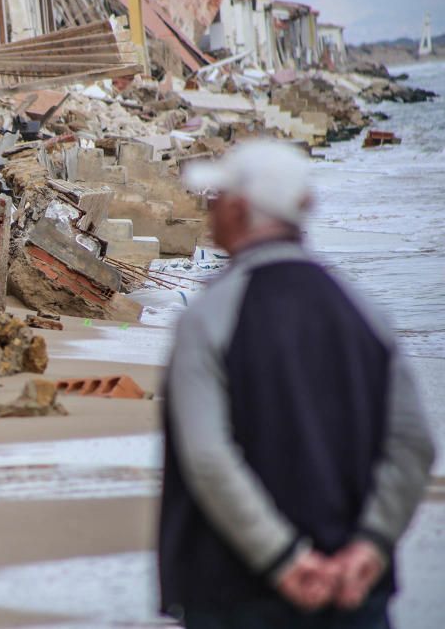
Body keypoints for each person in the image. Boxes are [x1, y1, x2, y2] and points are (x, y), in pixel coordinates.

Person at [157, 140, 436, 628]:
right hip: (355, 593)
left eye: (216, 198)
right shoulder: (364, 314)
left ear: (240, 209)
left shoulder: (209, 317)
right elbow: (414, 445)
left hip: (234, 592)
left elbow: (208, 457)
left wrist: (284, 560)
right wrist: (369, 547)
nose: (209, 209)